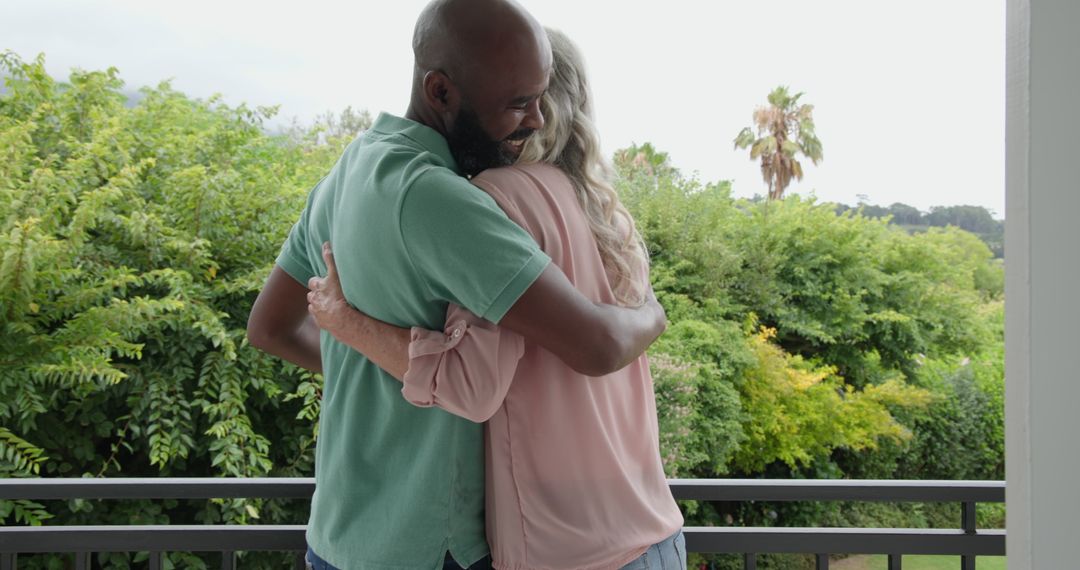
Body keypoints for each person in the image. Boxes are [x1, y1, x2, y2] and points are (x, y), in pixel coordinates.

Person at [246, 1, 668, 569]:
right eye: (517, 103)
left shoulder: (349, 168)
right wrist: (654, 313)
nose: (535, 120)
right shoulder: (445, 201)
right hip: (426, 539)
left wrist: (372, 354)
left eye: (540, 99)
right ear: (440, 91)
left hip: (334, 535)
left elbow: (268, 328)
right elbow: (595, 345)